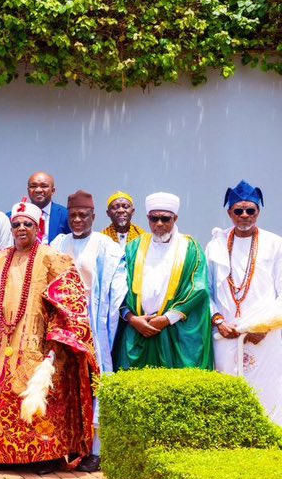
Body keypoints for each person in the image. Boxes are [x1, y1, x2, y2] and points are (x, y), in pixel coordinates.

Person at [0, 200, 98, 470]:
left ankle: (44, 456)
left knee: (40, 393)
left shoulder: (51, 257)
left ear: (38, 227)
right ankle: (5, 456)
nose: (22, 228)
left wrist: (55, 337)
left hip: (39, 341)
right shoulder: (0, 258)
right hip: (5, 339)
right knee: (6, 395)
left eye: (28, 224)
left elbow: (70, 299)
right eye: (17, 225)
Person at [206, 181, 282, 424]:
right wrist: (217, 320)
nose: (245, 216)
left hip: (265, 336)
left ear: (259, 212)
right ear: (229, 212)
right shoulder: (215, 245)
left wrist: (263, 326)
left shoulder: (275, 243)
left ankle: (268, 445)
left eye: (251, 210)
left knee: (267, 392)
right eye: (238, 211)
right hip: (225, 333)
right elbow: (204, 290)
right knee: (227, 392)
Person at [115, 192, 214, 371]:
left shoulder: (190, 247)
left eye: (165, 219)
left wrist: (167, 319)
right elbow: (117, 287)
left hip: (174, 331)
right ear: (148, 218)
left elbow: (198, 288)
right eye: (154, 218)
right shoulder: (133, 247)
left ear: (175, 218)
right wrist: (132, 319)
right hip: (138, 329)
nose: (159, 224)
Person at [51, 191, 127, 374]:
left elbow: (117, 289)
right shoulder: (58, 244)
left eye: (83, 215)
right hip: (64, 320)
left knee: (94, 369)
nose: (77, 220)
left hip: (93, 317)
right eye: (73, 215)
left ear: (93, 217)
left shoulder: (106, 246)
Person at [10, 172, 69, 244]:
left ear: (53, 191)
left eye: (44, 186)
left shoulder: (66, 215)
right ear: (28, 190)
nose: (38, 190)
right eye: (33, 186)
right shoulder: (13, 216)